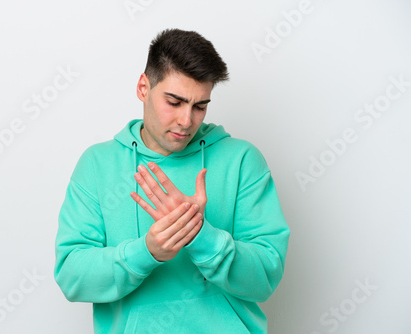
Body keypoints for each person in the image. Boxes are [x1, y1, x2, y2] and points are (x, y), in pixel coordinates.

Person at [54, 28, 290, 333]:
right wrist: (147, 252)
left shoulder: (242, 160)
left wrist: (200, 235)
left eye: (200, 106)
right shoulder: (98, 165)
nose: (186, 120)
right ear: (143, 87)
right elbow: (73, 277)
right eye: (175, 102)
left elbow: (265, 279)